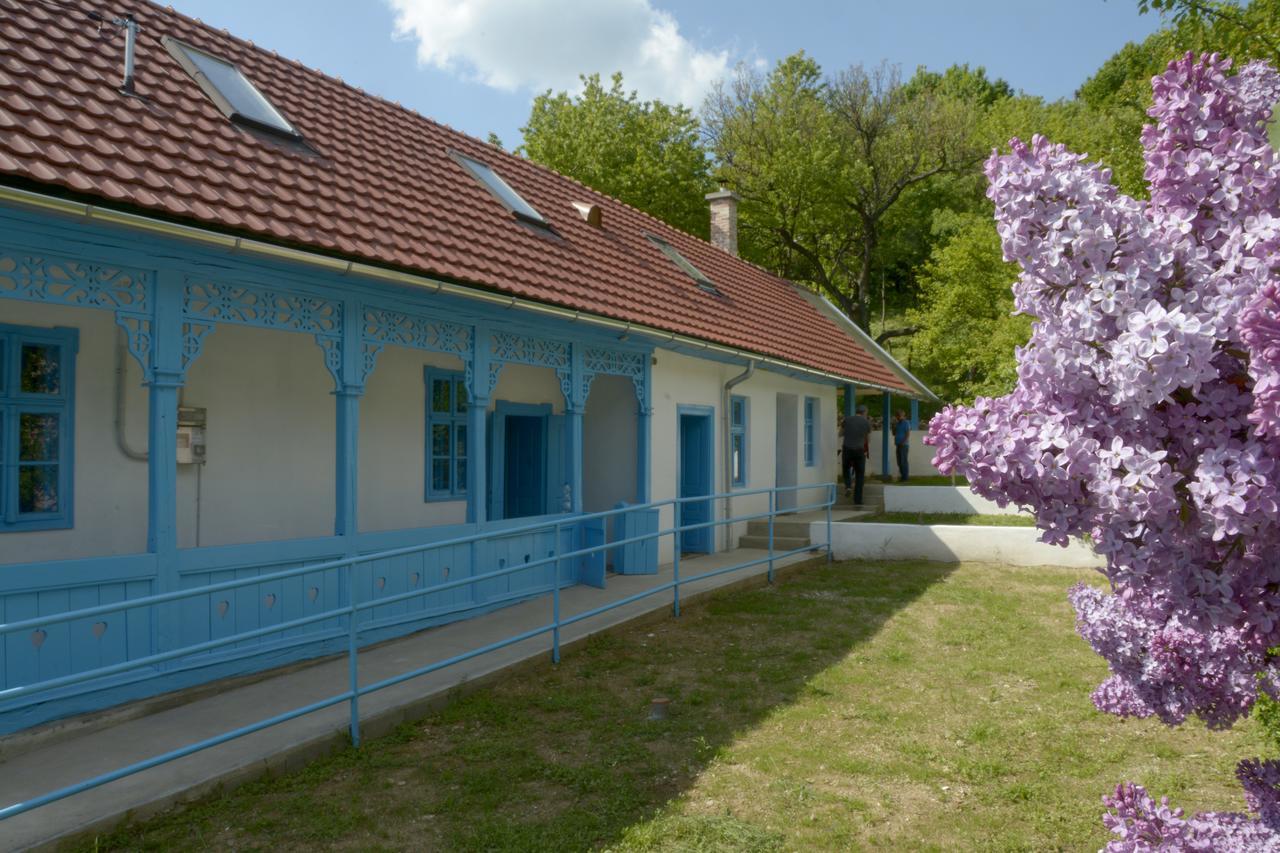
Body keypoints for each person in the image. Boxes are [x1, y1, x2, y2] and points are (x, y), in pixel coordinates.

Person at [840, 404, 872, 505]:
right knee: (860, 475)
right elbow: (869, 440)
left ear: (856, 411)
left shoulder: (847, 420)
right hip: (859, 450)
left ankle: (848, 486)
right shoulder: (867, 423)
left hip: (847, 449)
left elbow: (840, 433)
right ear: (865, 412)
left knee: (845, 468)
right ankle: (857, 500)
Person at [893, 409, 911, 482]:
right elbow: (894, 433)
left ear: (903, 416)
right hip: (898, 444)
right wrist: (893, 426)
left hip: (903, 445)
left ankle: (905, 477)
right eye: (897, 416)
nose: (898, 417)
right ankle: (902, 476)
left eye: (899, 416)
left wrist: (903, 442)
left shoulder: (906, 423)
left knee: (903, 461)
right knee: (899, 461)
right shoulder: (897, 424)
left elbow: (907, 434)